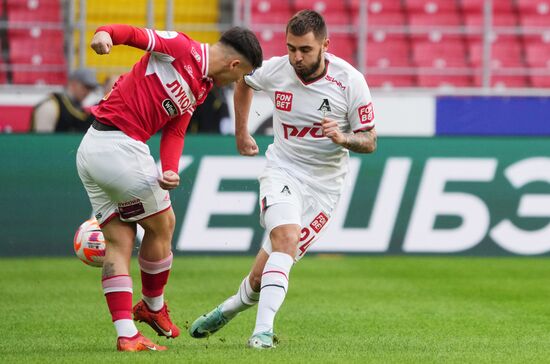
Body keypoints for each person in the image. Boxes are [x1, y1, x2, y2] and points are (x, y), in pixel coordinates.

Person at [189, 10, 377, 349]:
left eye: (305, 50)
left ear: (325, 46)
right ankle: (262, 333)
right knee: (286, 239)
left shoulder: (350, 81)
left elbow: (370, 140)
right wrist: (241, 133)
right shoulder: (277, 69)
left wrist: (344, 138)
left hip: (325, 188)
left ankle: (229, 308)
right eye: (291, 48)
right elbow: (243, 81)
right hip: (283, 170)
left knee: (263, 275)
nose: (296, 57)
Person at [76, 24, 262, 352]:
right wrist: (105, 33)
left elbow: (175, 132)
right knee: (164, 224)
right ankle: (152, 304)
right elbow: (135, 35)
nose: (235, 83)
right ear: (235, 66)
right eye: (239, 77)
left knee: (119, 240)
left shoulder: (201, 88)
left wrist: (171, 170)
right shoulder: (180, 47)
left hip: (94, 149)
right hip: (118, 145)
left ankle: (127, 335)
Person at [31, 68, 98, 132]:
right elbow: (41, 141)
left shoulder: (78, 108)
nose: (88, 92)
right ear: (73, 83)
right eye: (85, 87)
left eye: (91, 88)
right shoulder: (51, 106)